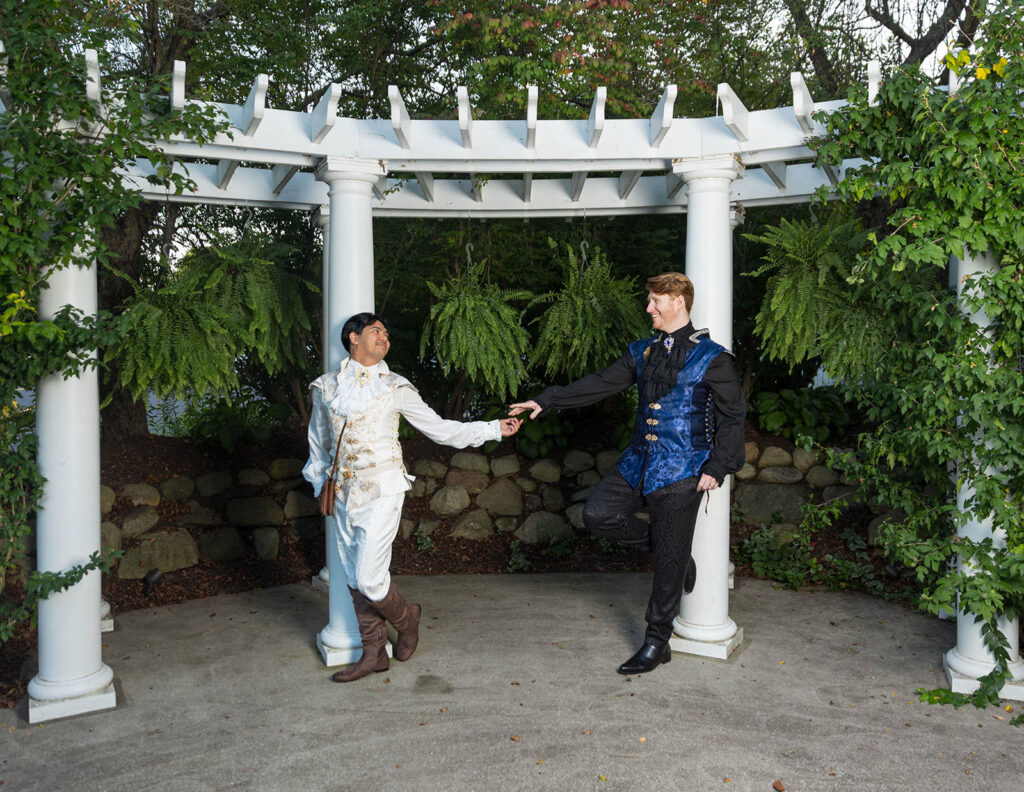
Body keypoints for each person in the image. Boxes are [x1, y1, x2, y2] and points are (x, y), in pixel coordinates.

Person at [510, 272, 745, 675]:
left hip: (683, 468)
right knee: (598, 515)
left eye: (656, 301)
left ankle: (657, 642)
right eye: (649, 300)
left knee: (665, 566)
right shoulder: (643, 352)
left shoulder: (714, 358)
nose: (649, 308)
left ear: (677, 302)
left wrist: (719, 466)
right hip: (638, 459)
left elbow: (733, 415)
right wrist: (549, 400)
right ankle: (672, 554)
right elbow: (601, 384)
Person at [304, 312, 521, 683]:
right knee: (354, 579)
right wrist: (318, 483)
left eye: (386, 332)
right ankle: (374, 654)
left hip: (383, 490)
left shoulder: (394, 387)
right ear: (353, 338)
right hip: (341, 493)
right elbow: (319, 444)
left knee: (370, 579)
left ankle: (408, 620)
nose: (384, 337)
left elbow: (440, 429)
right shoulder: (326, 387)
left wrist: (492, 429)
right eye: (376, 331)